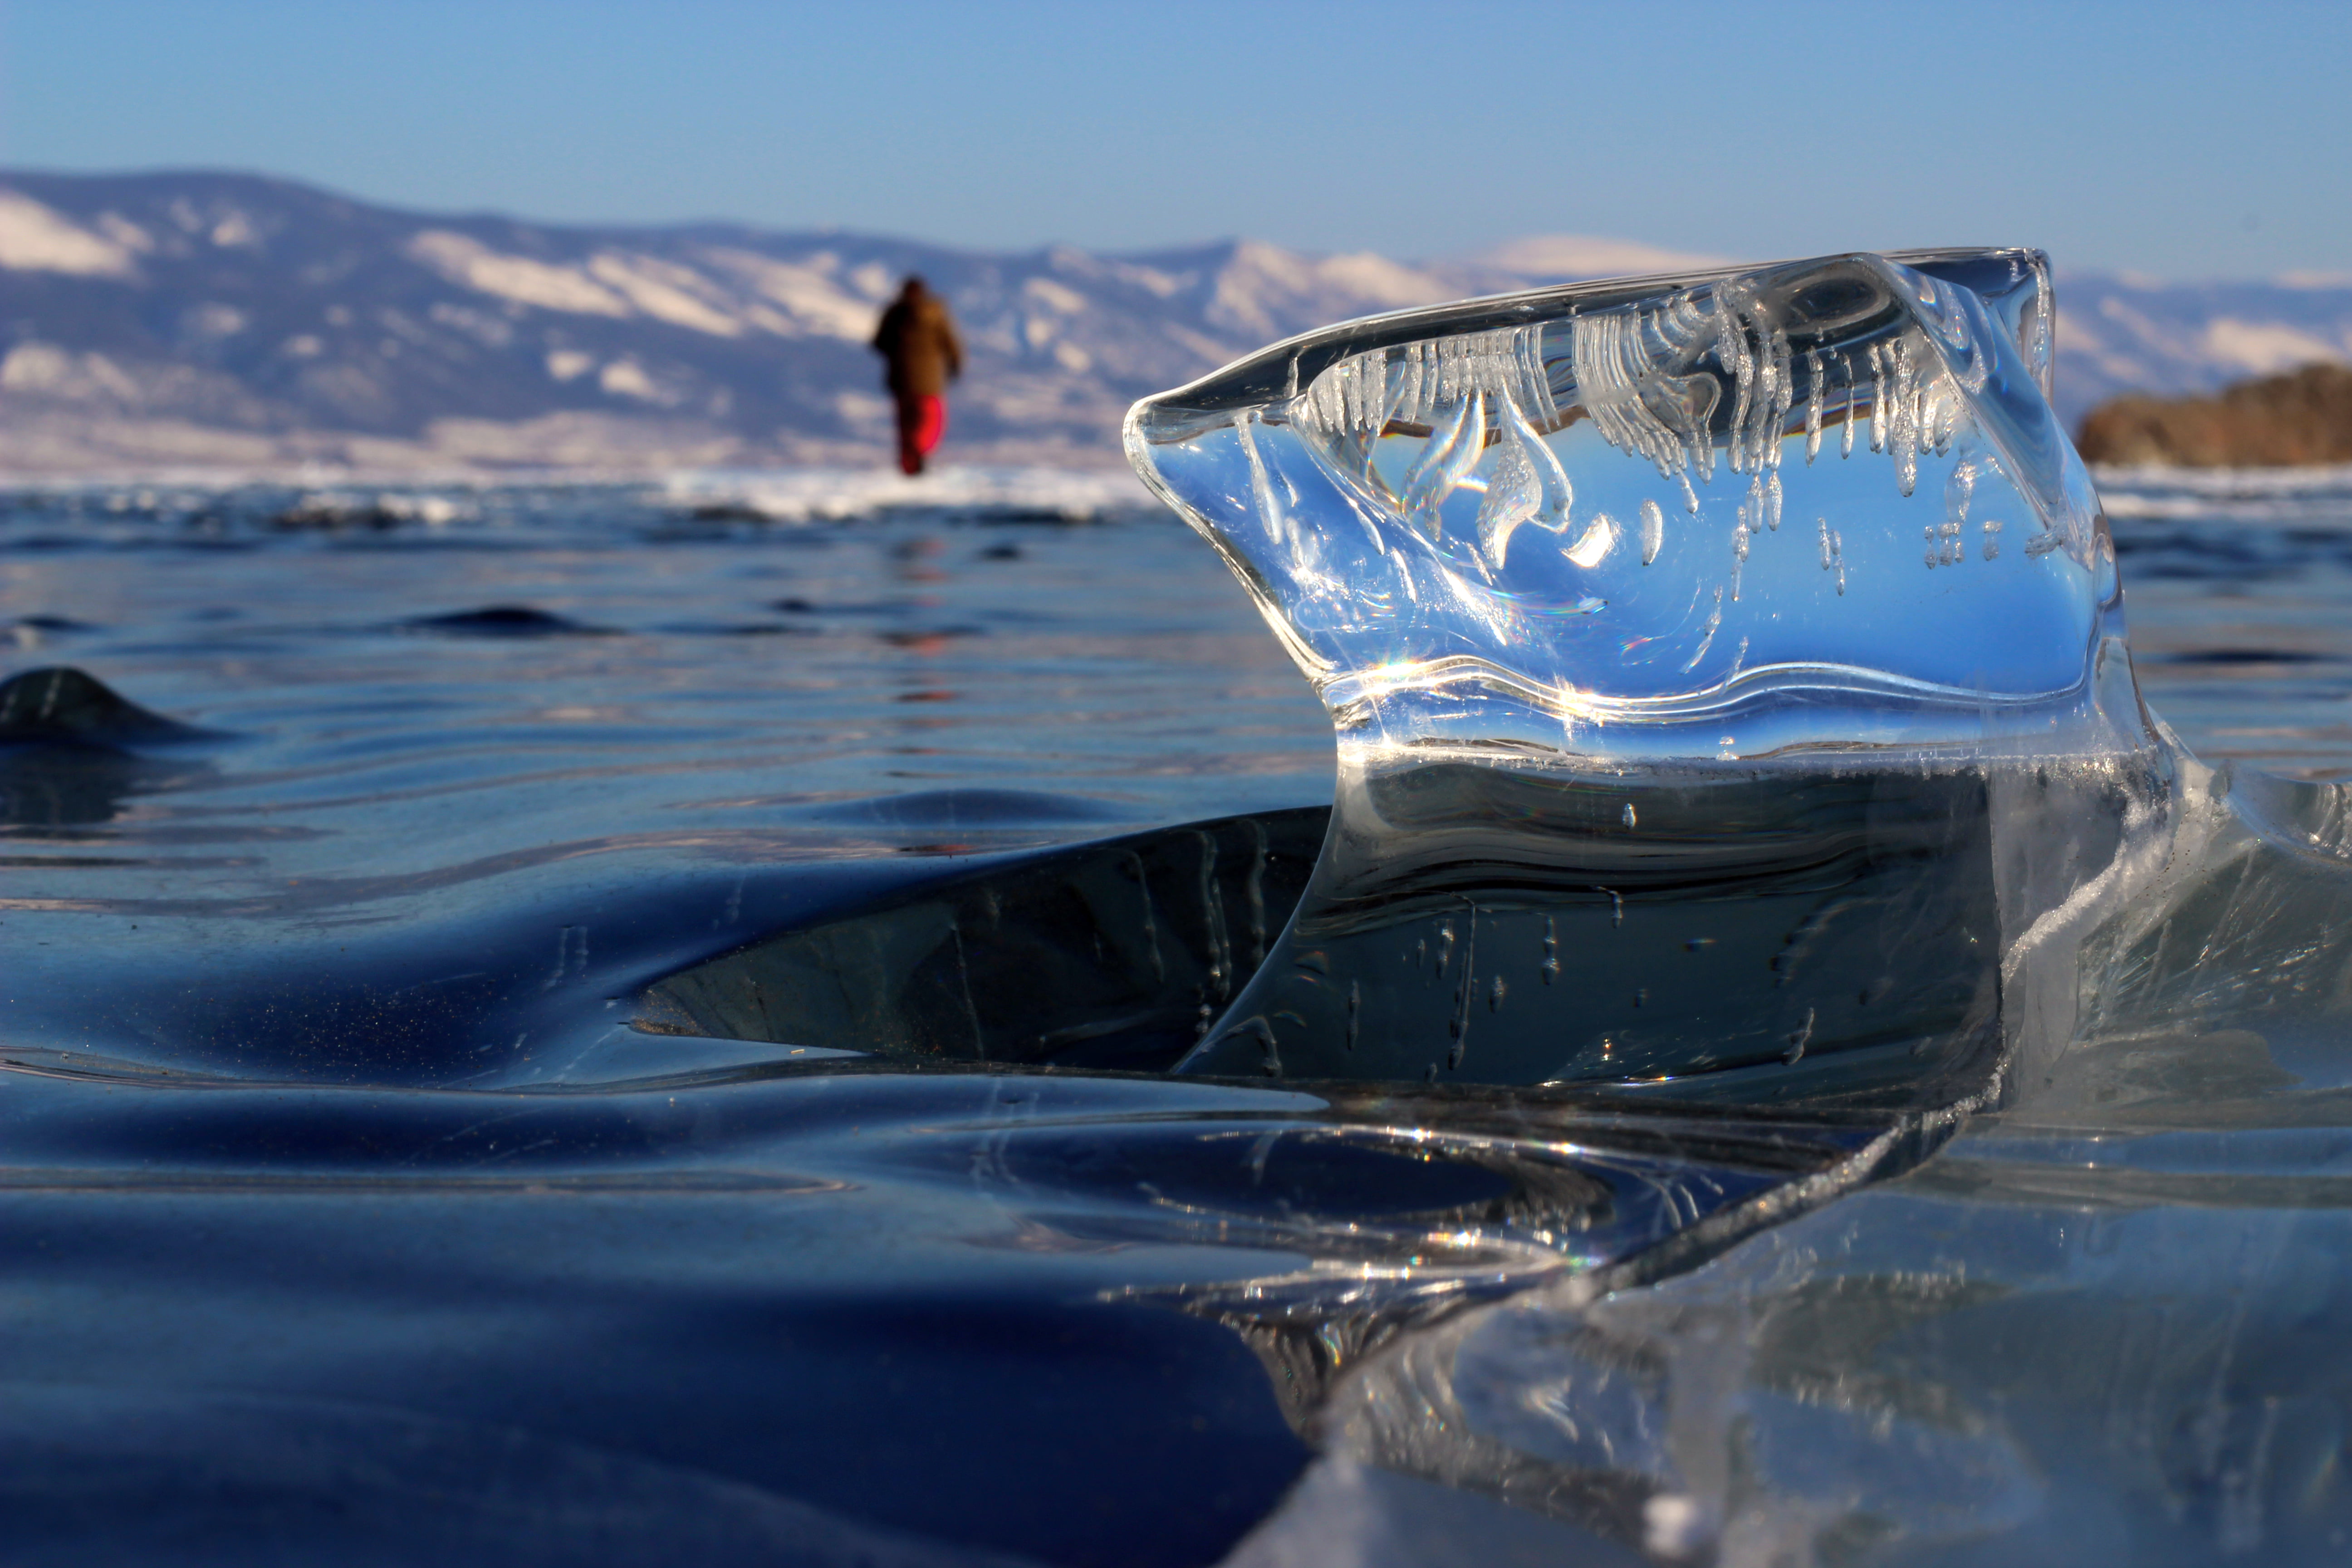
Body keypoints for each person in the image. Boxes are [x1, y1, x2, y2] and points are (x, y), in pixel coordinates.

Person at [870, 276, 963, 476]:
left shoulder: (894, 313)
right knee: (930, 422)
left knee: (906, 425)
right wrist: (955, 364)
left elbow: (878, 343)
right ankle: (921, 451)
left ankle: (908, 469)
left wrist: (898, 354)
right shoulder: (936, 314)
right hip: (930, 380)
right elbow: (950, 342)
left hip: (901, 379)